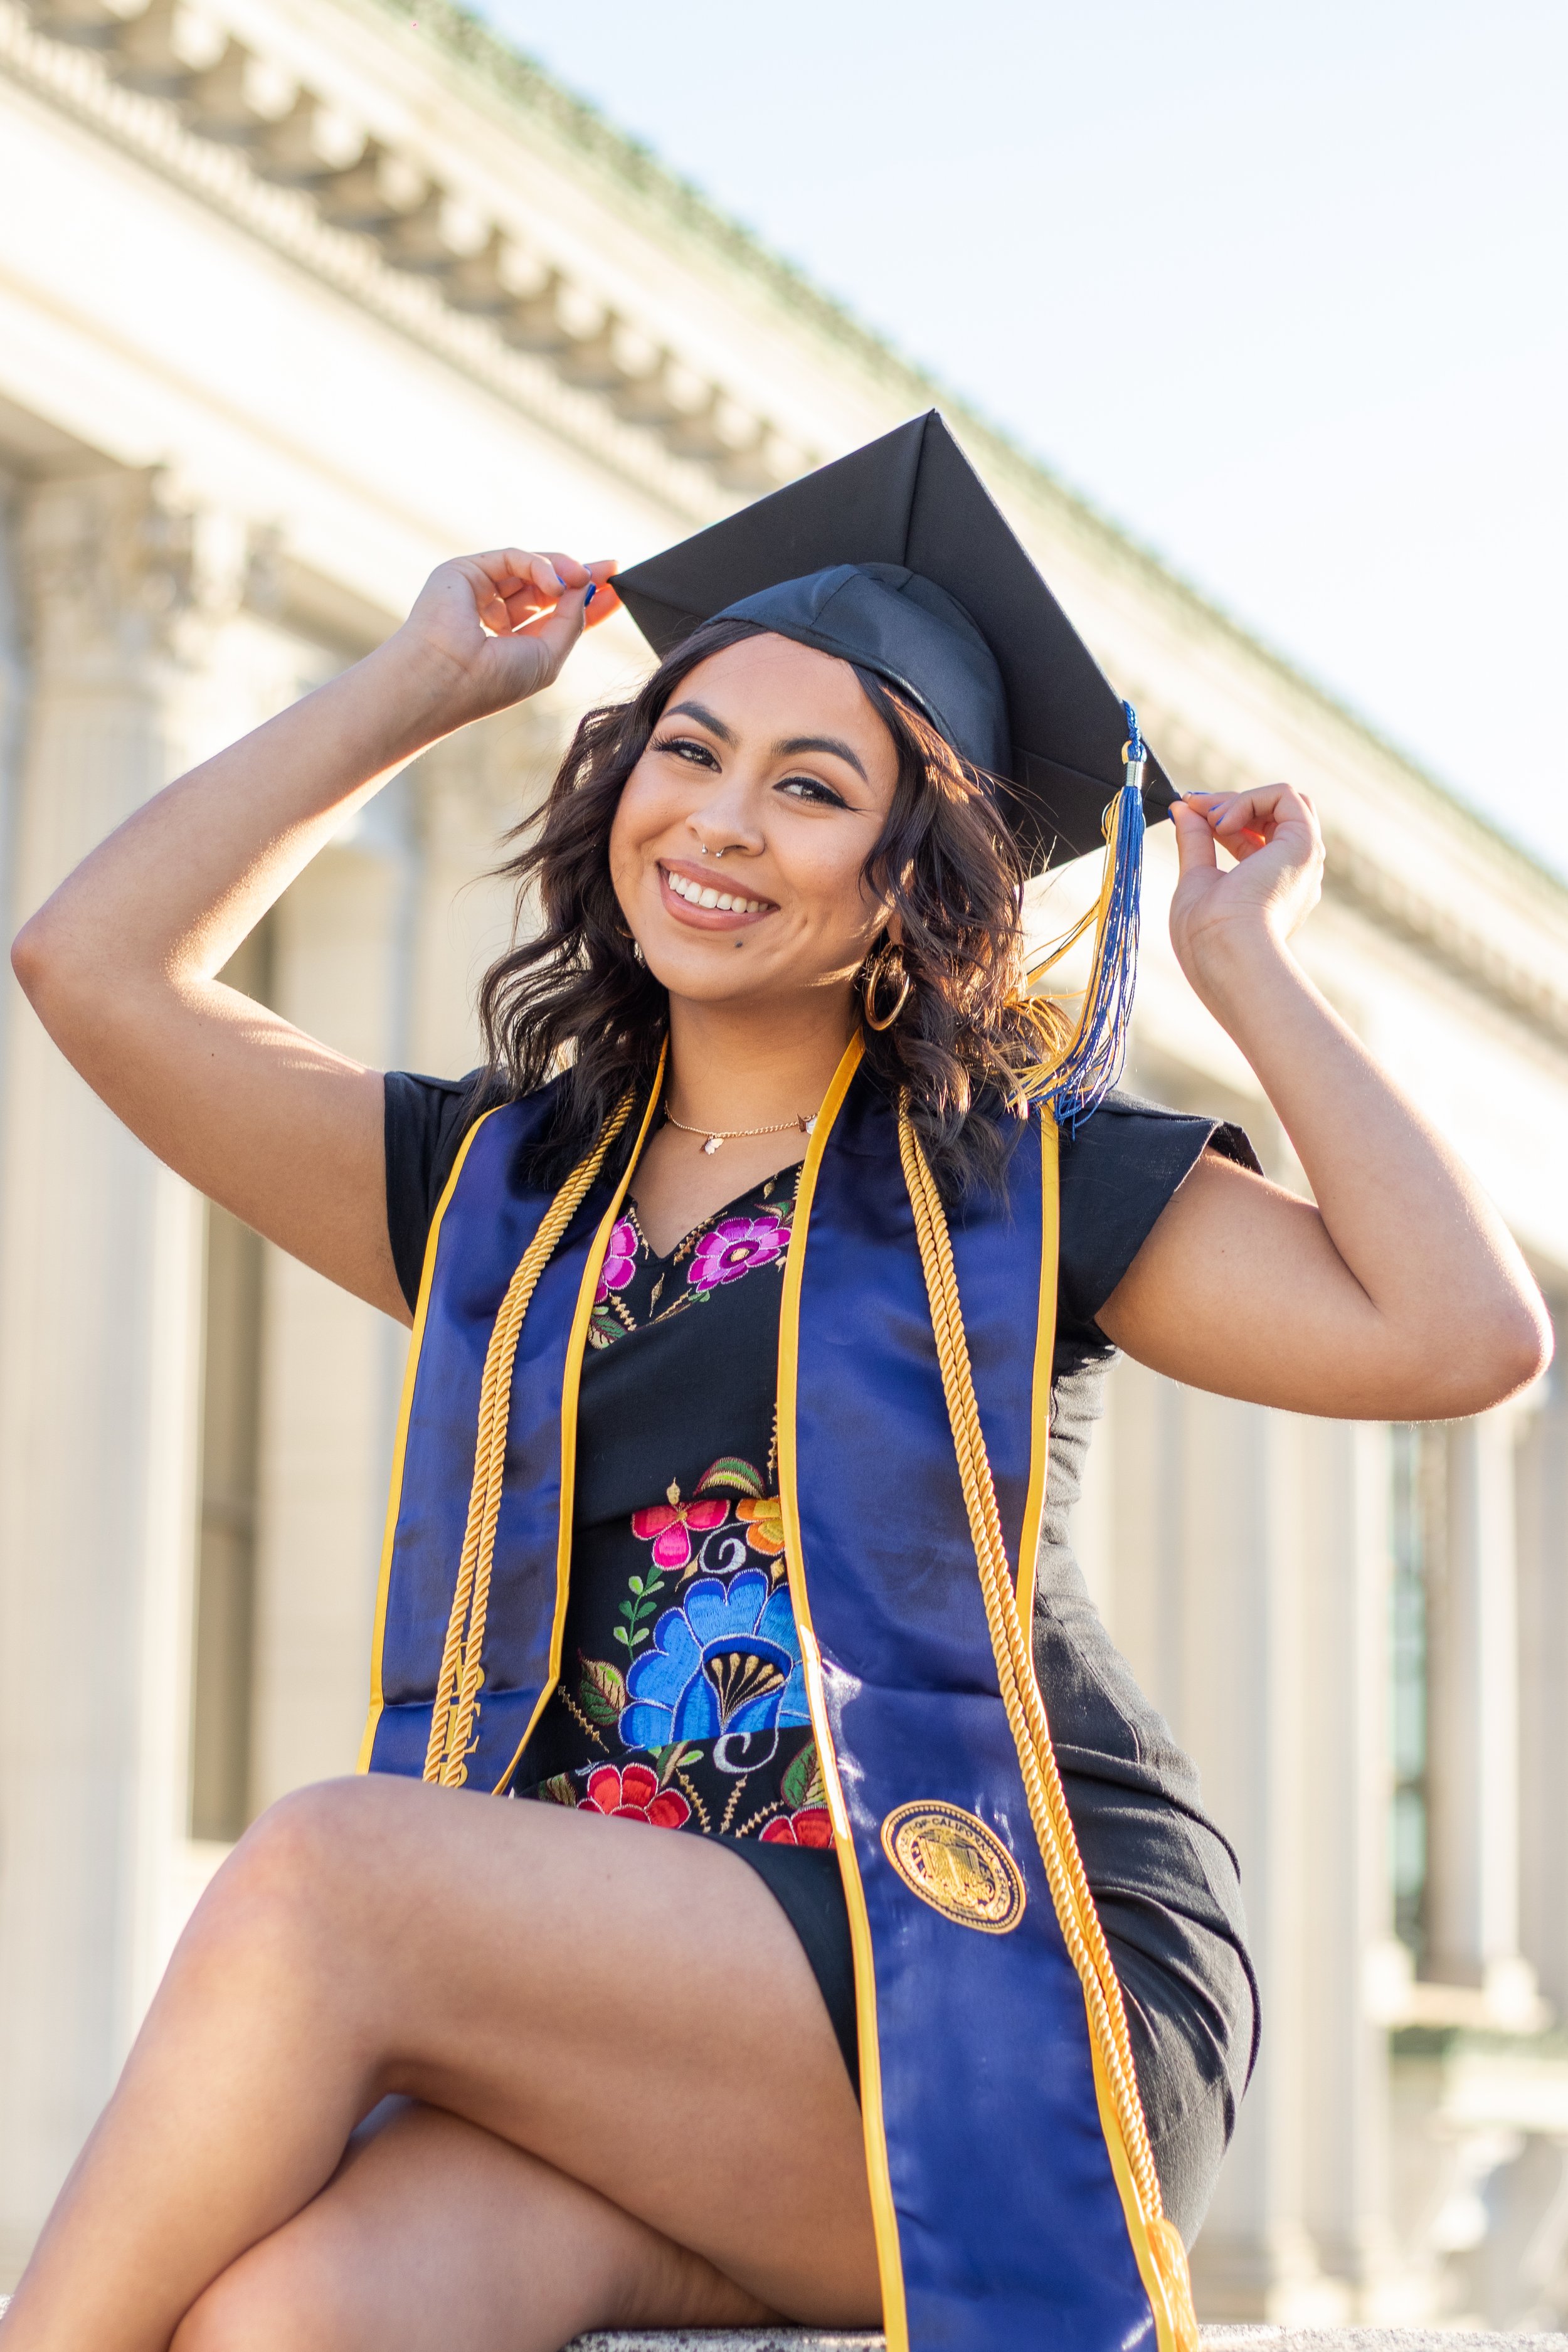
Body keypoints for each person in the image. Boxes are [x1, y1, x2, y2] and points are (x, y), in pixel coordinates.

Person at [2, 416, 1547, 2352]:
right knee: (295, 2316)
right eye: (688, 752)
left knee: (321, 1867)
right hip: (650, 2029)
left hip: (1010, 1962)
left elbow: (1462, 1336)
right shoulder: (497, 1195)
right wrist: (413, 685)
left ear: (916, 877)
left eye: (811, 789)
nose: (720, 823)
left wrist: (1245, 969)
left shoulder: (1023, 1186)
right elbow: (92, 965)